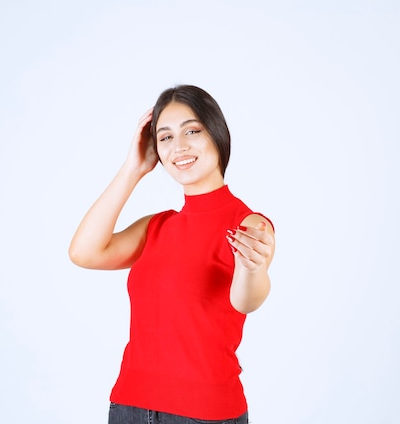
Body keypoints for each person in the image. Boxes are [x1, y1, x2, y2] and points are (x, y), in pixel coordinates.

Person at [68, 85, 275, 424]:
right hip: (128, 407)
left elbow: (246, 300)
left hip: (203, 413)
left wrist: (253, 270)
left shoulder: (248, 225)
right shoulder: (157, 226)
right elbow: (83, 252)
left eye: (192, 131)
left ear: (217, 135)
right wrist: (133, 169)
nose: (178, 146)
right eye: (164, 137)